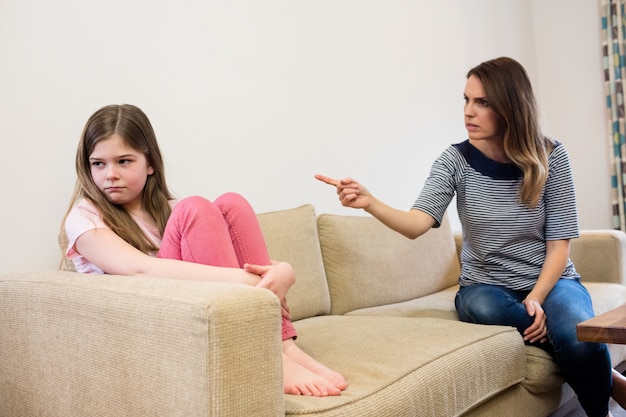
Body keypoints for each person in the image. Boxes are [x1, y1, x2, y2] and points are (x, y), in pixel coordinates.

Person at [316, 56, 626, 417]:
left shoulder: (551, 156)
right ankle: (611, 381)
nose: (469, 112)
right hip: (486, 286)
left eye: (482, 102)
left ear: (511, 107)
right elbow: (418, 224)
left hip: (551, 281)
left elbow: (559, 246)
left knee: (577, 330)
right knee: (488, 309)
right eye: (466, 100)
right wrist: (371, 203)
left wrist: (537, 300)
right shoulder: (455, 160)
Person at [62, 104, 347, 397]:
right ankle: (266, 349)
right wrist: (256, 287)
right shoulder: (85, 219)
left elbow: (239, 261)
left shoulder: (168, 211)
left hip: (188, 308)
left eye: (124, 161)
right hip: (146, 323)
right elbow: (141, 269)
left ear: (150, 164)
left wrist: (285, 271)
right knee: (194, 208)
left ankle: (283, 344)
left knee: (230, 204)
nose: (110, 174)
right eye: (99, 164)